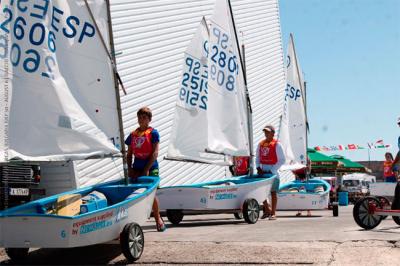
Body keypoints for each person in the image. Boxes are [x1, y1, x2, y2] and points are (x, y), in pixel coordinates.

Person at [125, 106, 166, 232]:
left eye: (144, 117)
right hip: (137, 167)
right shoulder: (133, 135)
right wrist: (130, 169)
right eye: (139, 117)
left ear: (149, 119)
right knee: (133, 191)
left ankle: (158, 218)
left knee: (151, 193)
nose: (141, 120)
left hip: (151, 166)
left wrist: (146, 169)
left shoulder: (153, 133)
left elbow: (155, 153)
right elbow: (129, 154)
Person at [256, 125, 285, 220]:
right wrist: (258, 167)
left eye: (268, 132)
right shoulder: (260, 144)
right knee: (261, 192)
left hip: (273, 173)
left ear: (273, 133)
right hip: (263, 172)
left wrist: (272, 170)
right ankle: (267, 210)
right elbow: (257, 158)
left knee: (273, 192)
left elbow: (282, 160)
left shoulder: (277, 144)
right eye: (265, 132)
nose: (266, 134)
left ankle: (273, 213)